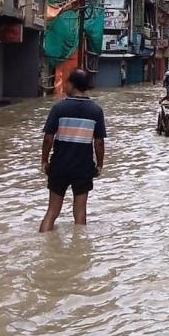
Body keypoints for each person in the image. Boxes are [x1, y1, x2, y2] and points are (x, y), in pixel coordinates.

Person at [39, 69, 106, 233]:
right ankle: (80, 250)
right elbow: (99, 143)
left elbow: (48, 138)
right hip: (83, 168)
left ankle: (43, 246)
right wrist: (99, 165)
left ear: (72, 85)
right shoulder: (96, 111)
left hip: (59, 166)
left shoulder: (59, 108)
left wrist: (44, 161)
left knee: (52, 212)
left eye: (67, 82)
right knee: (81, 214)